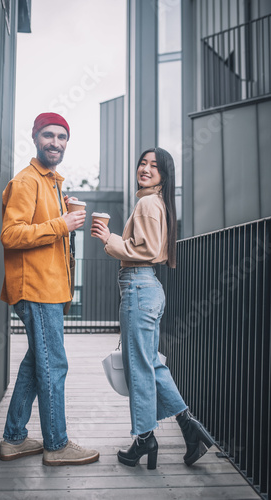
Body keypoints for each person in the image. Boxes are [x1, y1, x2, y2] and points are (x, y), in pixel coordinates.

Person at [91, 147, 214, 469]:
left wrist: (108, 237)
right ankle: (190, 428)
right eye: (142, 163)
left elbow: (144, 250)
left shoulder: (147, 202)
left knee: (140, 367)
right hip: (147, 288)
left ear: (164, 174)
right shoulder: (158, 203)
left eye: (154, 166)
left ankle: (145, 438)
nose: (145, 168)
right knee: (152, 365)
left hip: (138, 287)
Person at [0, 112, 99, 466]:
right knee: (54, 364)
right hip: (37, 289)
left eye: (61, 137)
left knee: (35, 363)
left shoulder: (52, 183)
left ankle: (13, 439)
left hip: (51, 289)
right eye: (48, 135)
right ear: (35, 137)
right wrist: (62, 223)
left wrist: (62, 214)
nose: (55, 142)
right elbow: (10, 235)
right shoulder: (27, 181)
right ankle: (56, 445)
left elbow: (43, 227)